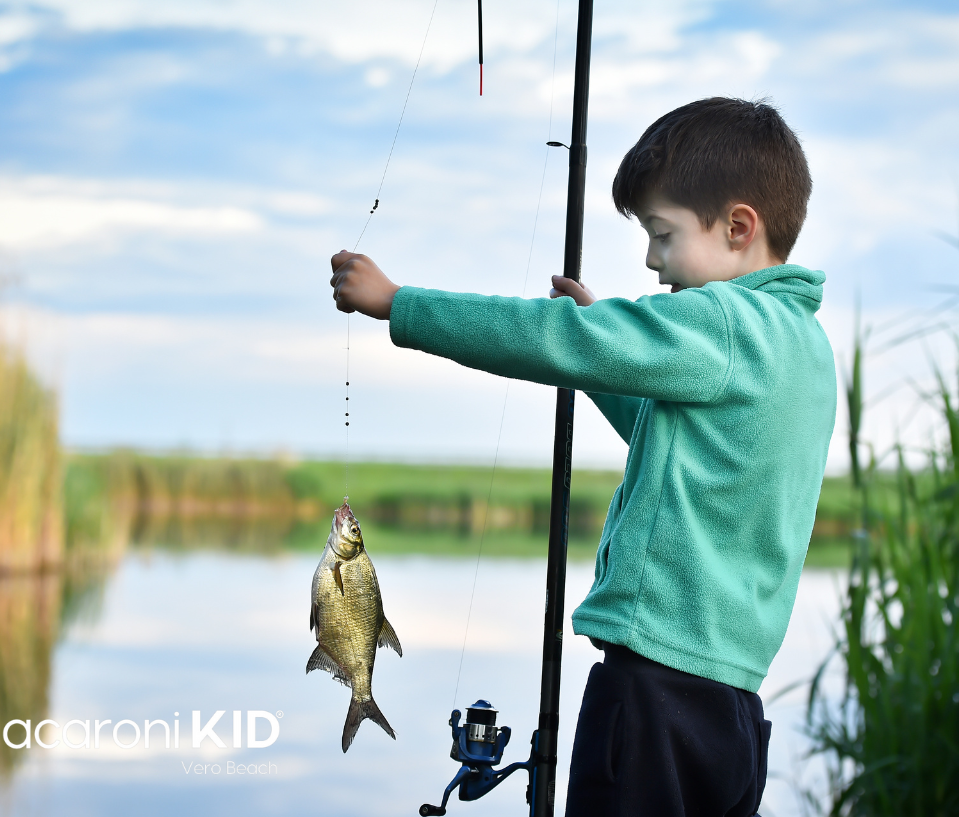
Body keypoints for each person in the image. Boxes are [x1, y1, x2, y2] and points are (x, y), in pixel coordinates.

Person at [330, 97, 836, 817]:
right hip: (731, 714)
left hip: (652, 695)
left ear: (738, 227)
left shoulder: (721, 320)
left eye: (663, 235)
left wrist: (399, 304)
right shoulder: (803, 348)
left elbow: (551, 337)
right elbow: (686, 446)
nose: (652, 261)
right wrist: (607, 355)